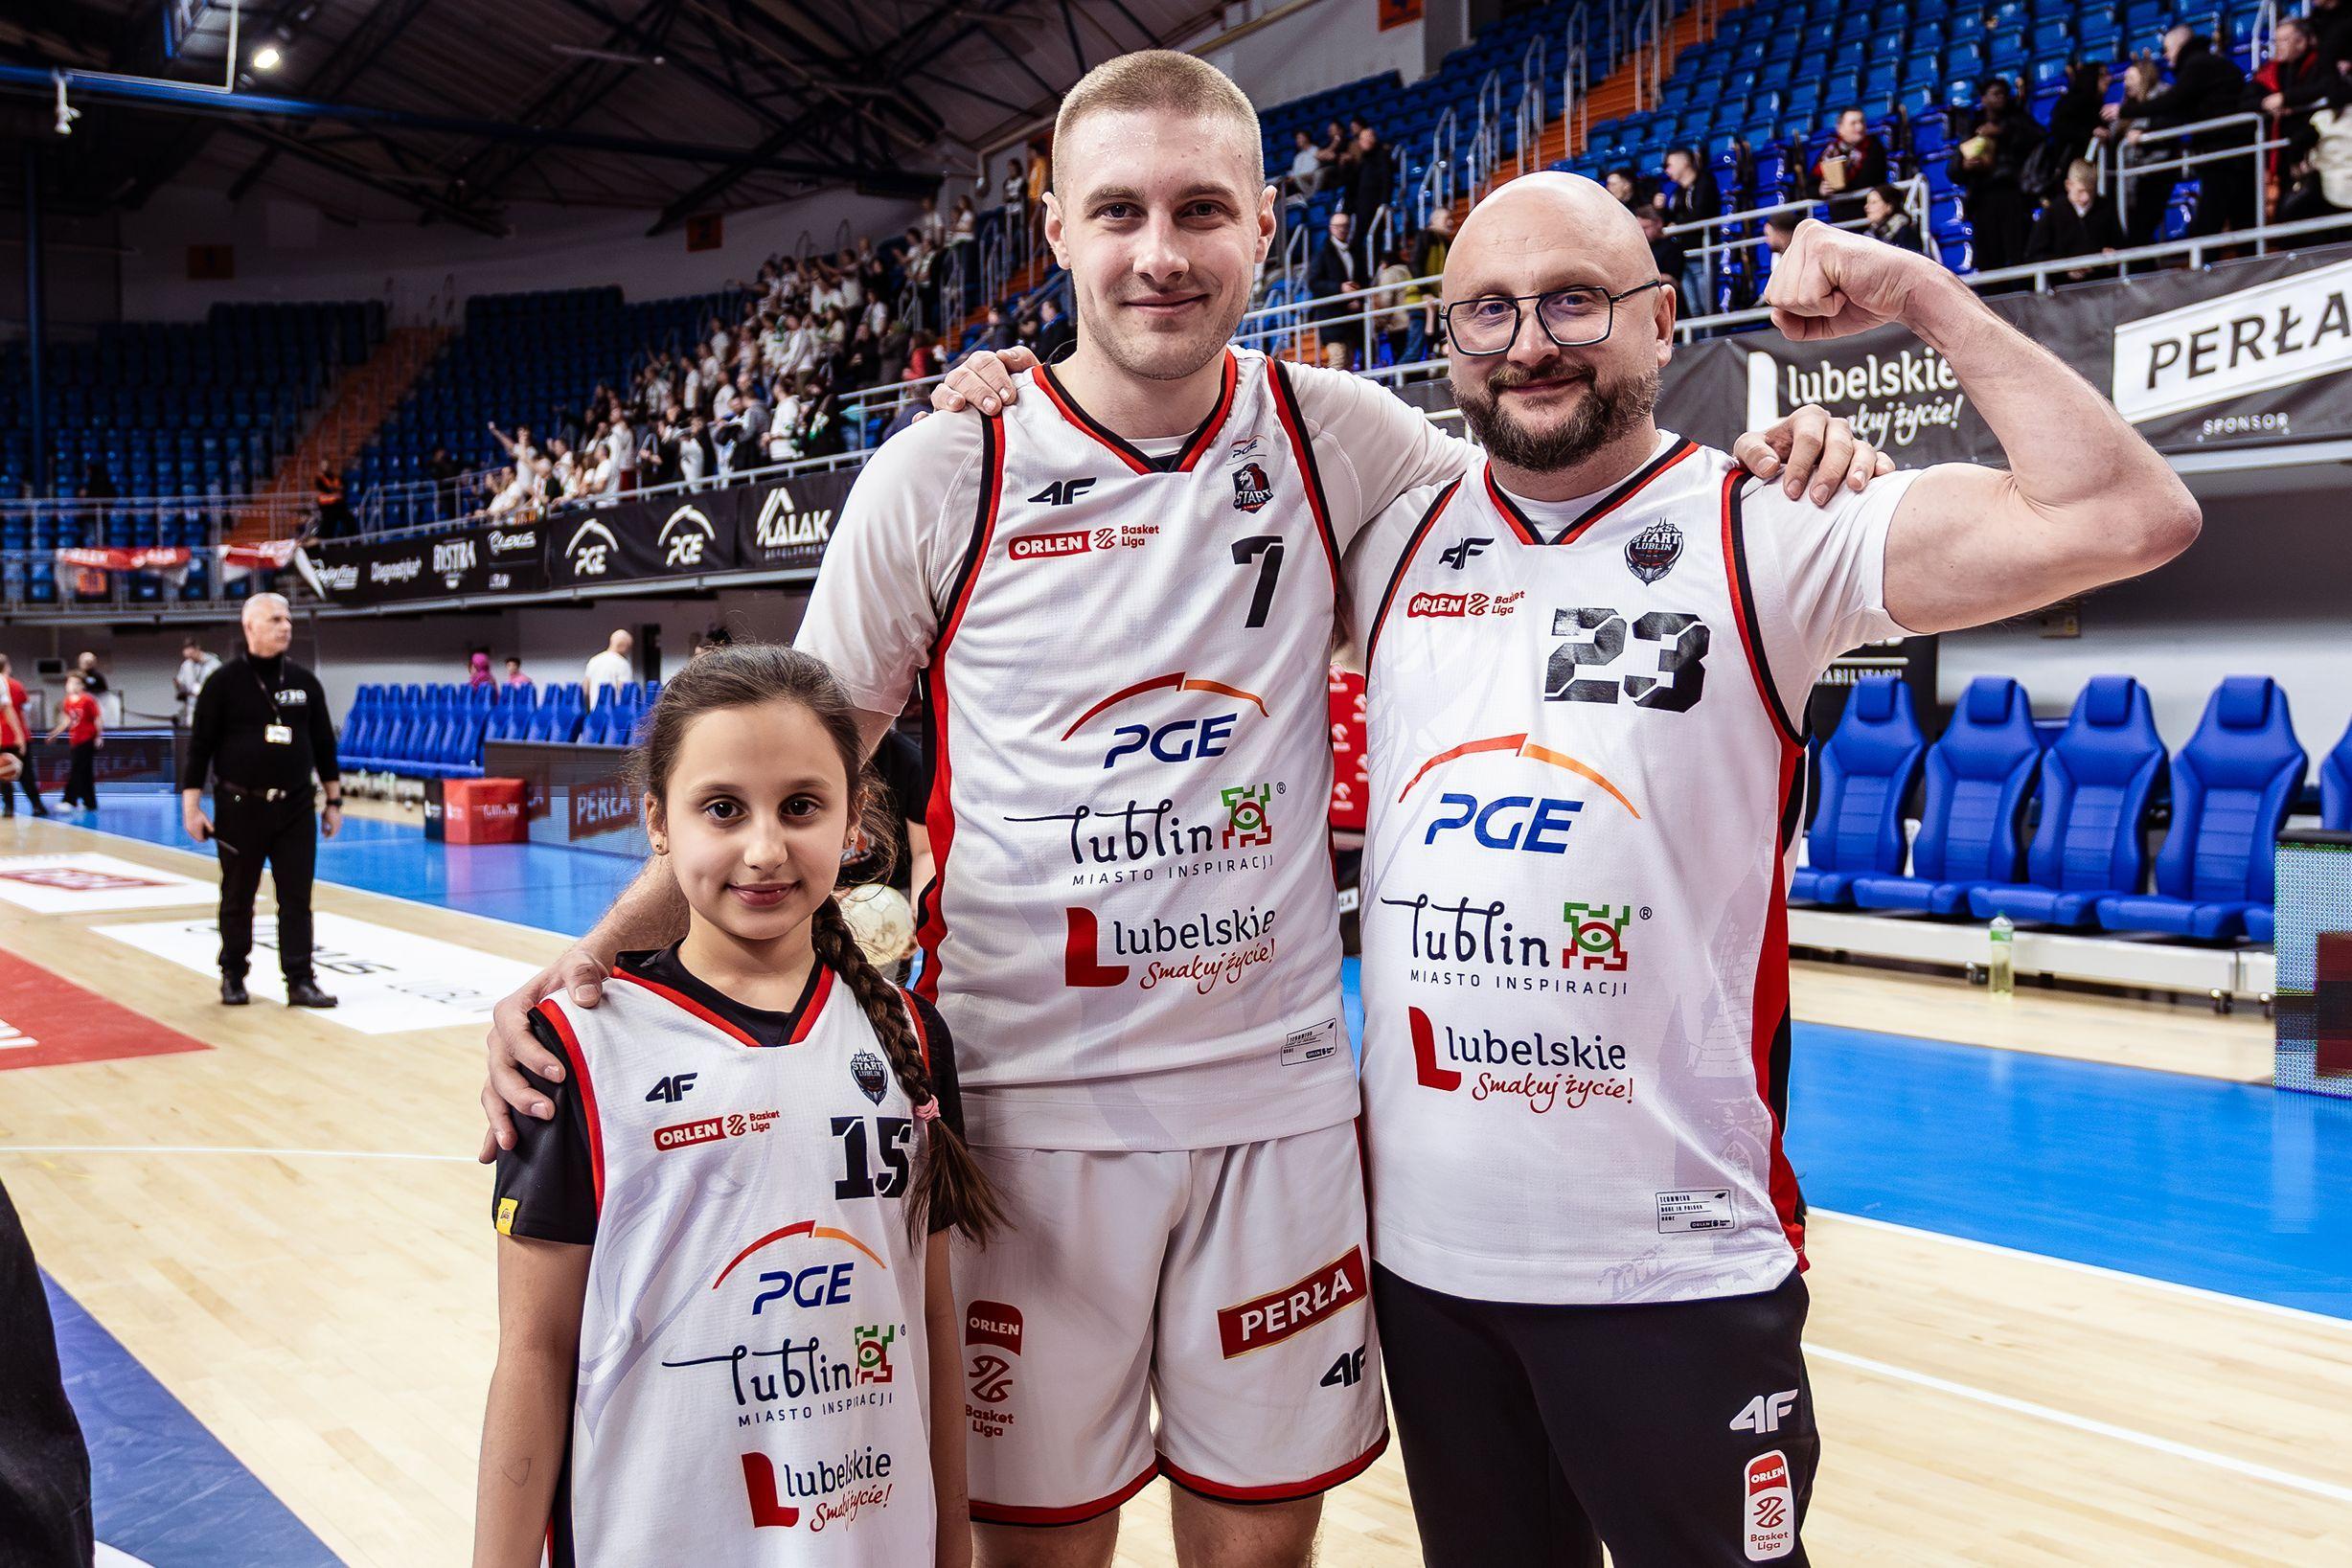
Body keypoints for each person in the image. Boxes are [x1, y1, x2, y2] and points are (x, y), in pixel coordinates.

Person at [484, 49, 1880, 1567]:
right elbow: (775, 777)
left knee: (1260, 1552)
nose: (1160, 251)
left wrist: (1777, 454)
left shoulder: (1341, 436)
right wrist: (589, 963)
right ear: (1054, 229)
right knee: (1041, 1555)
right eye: (1119, 211)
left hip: (1275, 1122)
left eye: (1201, 209)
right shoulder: (942, 472)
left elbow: (1570, 481)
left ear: (1263, 228)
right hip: (1021, 1122)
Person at [1341, 172, 2197, 1568]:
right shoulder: (1390, 532)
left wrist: (1917, 295)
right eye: (1485, 311)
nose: (1528, 342)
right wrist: (990, 399)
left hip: (1671, 1261)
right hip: (1426, 1261)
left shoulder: (1773, 518)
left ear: (1660, 320)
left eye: (1573, 301)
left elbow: (2127, 514)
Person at [472, 646, 996, 1567]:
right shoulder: (576, 1048)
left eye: (801, 807)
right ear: (658, 821)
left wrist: (951, 1544)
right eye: (722, 808)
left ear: (854, 820)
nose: (764, 848)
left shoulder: (911, 1036)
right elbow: (533, 1354)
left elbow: (931, 1323)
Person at [180, 594, 342, 1009]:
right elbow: (199, 748)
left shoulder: (304, 681)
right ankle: (233, 975)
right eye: (275, 619)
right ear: (250, 626)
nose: (286, 626)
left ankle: (300, 980)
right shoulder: (223, 682)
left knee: (296, 898)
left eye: (288, 619)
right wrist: (191, 807)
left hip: (296, 807)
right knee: (238, 896)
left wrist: (334, 800)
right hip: (239, 808)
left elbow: (324, 743)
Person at [2110, 26, 2254, 240]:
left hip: (2224, 152)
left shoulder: (2197, 65)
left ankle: (2205, 259)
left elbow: (2174, 102)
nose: (2165, 55)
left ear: (2178, 46)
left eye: (2167, 49)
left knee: (2212, 219)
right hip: (2230, 149)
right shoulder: (2208, 62)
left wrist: (2124, 111)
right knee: (2237, 216)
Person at [1948, 77, 2044, 274]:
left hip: (2013, 196)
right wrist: (1965, 166)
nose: (2000, 98)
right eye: (1995, 94)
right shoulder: (1973, 128)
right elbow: (1953, 171)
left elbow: (2039, 139)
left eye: (2003, 94)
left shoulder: (2018, 120)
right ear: (1983, 99)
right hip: (1983, 200)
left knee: (2018, 254)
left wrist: (2003, 132)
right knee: (1988, 257)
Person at [2026, 159, 2128, 279]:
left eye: (2090, 191)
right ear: (2068, 185)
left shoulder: (2105, 207)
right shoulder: (2053, 212)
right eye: (2080, 191)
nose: (2086, 197)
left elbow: (2121, 245)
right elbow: (2034, 255)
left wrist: (2113, 255)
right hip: (2062, 286)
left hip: (2101, 283)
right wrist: (2065, 266)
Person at [1656, 147, 1724, 313]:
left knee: (1708, 306)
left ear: (1684, 162)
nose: (1667, 170)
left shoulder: (1705, 182)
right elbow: (1670, 220)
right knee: (1694, 309)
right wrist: (1660, 209)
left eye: (1669, 165)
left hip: (1702, 252)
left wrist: (1677, 225)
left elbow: (1702, 212)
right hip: (1683, 256)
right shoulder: (1677, 193)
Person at [1310, 208, 1368, 364]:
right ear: (1331, 228)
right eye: (1338, 226)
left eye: (1345, 226)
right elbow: (1314, 283)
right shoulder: (1322, 253)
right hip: (1332, 317)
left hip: (1351, 319)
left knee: (1348, 361)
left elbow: (1363, 280)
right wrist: (1340, 288)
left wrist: (1357, 298)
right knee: (1338, 359)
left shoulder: (1355, 252)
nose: (1342, 229)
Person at [1812, 106, 1887, 223]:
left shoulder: (1874, 147)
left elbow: (1868, 180)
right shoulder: (1830, 152)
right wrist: (1821, 190)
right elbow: (1809, 187)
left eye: (1862, 122)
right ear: (1840, 128)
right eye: (1853, 123)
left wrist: (1840, 184)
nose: (1860, 127)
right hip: (1840, 220)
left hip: (1866, 217)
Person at [0, 653, 50, 819]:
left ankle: (8, 808)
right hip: (17, 735)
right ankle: (37, 805)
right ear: (7, 667)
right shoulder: (16, 685)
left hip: (3, 737)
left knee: (3, 773)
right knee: (26, 773)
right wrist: (21, 735)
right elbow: (24, 709)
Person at [46, 673, 101, 813]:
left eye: (75, 683)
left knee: (76, 770)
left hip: (87, 739)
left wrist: (98, 737)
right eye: (69, 682)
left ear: (82, 685)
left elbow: (97, 718)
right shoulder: (67, 702)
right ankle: (90, 802)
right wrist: (55, 733)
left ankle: (69, 800)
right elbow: (67, 720)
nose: (70, 686)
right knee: (85, 772)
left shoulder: (88, 700)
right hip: (75, 740)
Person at [1861, 184, 1926, 251]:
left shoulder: (1905, 234)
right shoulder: (1871, 235)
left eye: (1873, 202)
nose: (1866, 207)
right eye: (1867, 203)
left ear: (1889, 207)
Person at [175, 637, 222, 725]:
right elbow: (182, 684)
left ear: (197, 648)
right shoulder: (187, 665)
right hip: (193, 706)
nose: (191, 659)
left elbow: (222, 685)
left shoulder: (213, 663)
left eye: (192, 654)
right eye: (188, 657)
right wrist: (178, 685)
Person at [584, 629, 633, 697]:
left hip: (595, 704)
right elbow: (626, 691)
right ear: (623, 645)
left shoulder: (593, 660)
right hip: (614, 704)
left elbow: (586, 689)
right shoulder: (622, 663)